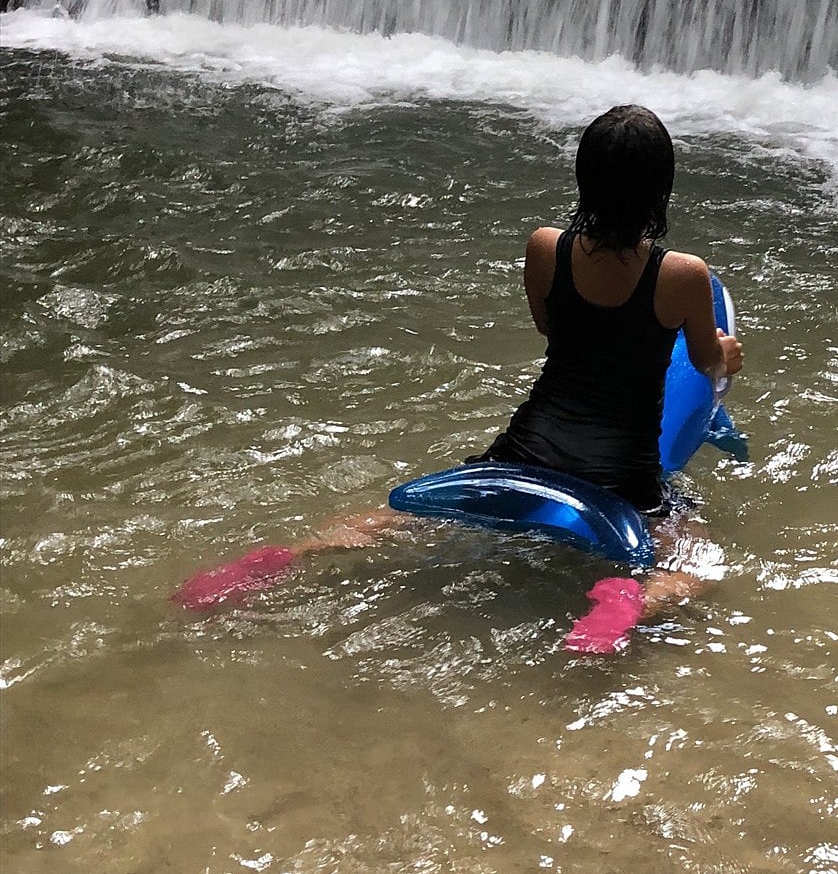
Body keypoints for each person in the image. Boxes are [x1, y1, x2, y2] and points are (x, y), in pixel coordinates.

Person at [174, 106, 743, 654]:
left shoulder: (546, 247)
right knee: (697, 560)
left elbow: (553, 328)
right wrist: (727, 352)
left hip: (525, 453)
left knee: (391, 521)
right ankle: (631, 600)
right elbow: (703, 363)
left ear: (584, 178)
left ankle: (284, 558)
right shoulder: (683, 275)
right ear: (658, 191)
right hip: (622, 477)